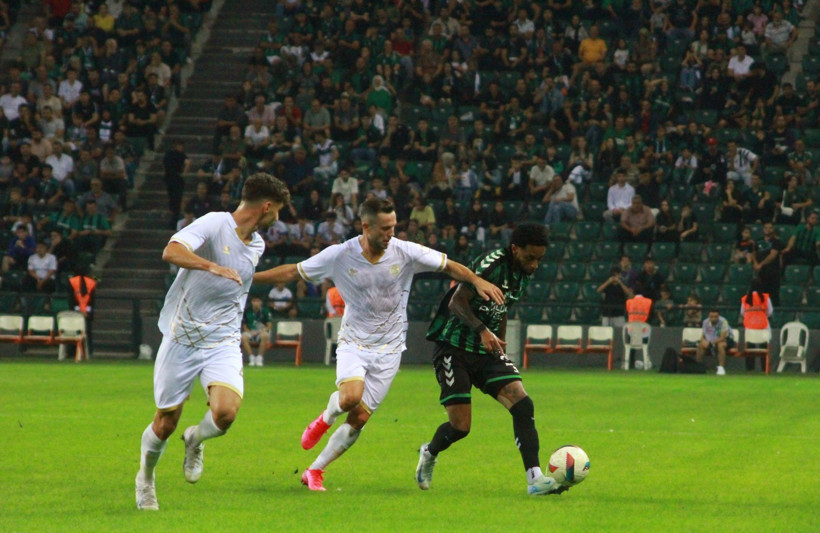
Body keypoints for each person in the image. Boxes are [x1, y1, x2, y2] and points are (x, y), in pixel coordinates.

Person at [251, 198, 504, 491]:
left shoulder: (405, 252)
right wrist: (249, 279)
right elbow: (293, 272)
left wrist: (475, 280)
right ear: (366, 225)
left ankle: (315, 471)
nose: (390, 234)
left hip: (391, 349)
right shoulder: (340, 255)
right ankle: (325, 418)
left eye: (393, 227)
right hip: (354, 342)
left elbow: (448, 265)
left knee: (359, 418)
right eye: (384, 228)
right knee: (348, 398)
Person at [135, 173, 290, 511]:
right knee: (165, 421)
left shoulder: (258, 245)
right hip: (183, 337)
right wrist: (210, 266)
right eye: (277, 210)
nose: (277, 217)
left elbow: (239, 286)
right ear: (266, 207)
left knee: (225, 413)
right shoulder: (214, 223)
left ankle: (195, 438)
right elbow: (171, 251)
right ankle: (145, 479)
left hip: (222, 340)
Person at [415, 223, 568, 496]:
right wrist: (483, 330)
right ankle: (430, 451)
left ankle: (535, 480)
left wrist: (499, 341)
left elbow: (502, 307)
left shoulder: (522, 273)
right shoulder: (490, 266)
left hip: (486, 351)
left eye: (539, 259)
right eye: (530, 257)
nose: (534, 265)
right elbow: (456, 302)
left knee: (523, 404)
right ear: (514, 249)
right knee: (460, 427)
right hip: (453, 348)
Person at [740, 279, 773, 372]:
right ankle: (764, 368)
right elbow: (770, 312)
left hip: (750, 326)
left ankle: (750, 369)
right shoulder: (765, 298)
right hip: (763, 326)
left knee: (750, 349)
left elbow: (742, 312)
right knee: (764, 348)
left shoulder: (746, 298)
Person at [67, 264, 97, 359]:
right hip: (87, 312)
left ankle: (72, 352)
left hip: (75, 312)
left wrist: (78, 310)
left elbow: (71, 300)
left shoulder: (72, 281)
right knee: (87, 332)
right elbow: (92, 301)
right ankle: (87, 352)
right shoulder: (92, 282)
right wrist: (86, 311)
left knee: (73, 332)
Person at [695, 309, 736, 376]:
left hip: (727, 339)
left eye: (715, 316)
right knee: (700, 345)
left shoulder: (723, 322)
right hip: (711, 340)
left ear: (718, 316)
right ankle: (699, 366)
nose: (713, 318)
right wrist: (704, 342)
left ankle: (721, 368)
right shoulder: (705, 322)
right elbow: (703, 335)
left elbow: (722, 337)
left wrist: (711, 343)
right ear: (709, 316)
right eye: (711, 316)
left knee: (720, 345)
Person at [241, 295, 273, 367]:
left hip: (261, 331)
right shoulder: (247, 311)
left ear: (261, 302)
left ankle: (259, 358)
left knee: (264, 336)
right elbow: (244, 326)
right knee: (243, 337)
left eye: (258, 301)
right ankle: (251, 357)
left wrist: (260, 331)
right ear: (252, 302)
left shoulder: (265, 311)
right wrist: (250, 332)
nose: (256, 303)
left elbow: (269, 326)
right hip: (250, 331)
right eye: (254, 301)